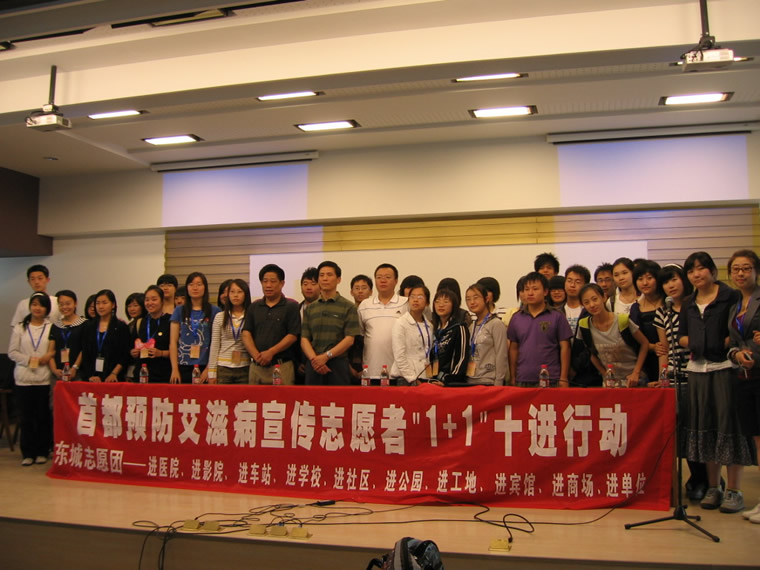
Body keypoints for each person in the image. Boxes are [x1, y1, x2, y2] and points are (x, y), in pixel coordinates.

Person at [679, 251, 755, 513]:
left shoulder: (730, 296)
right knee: (706, 428)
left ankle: (734, 490)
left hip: (725, 368)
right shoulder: (688, 302)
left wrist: (716, 344)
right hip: (697, 371)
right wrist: (699, 344)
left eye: (701, 268)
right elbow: (682, 336)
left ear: (712, 271)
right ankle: (714, 487)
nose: (696, 274)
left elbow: (737, 332)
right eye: (691, 270)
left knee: (729, 427)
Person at [653, 264, 708, 500]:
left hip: (697, 374)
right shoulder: (662, 312)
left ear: (684, 280)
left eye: (674, 279)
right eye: (666, 282)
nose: (671, 285)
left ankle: (705, 479)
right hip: (675, 377)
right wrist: (663, 377)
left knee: (697, 429)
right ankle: (695, 478)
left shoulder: (695, 306)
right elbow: (663, 349)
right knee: (680, 432)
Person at [727, 250, 760, 519]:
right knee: (757, 439)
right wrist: (736, 354)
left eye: (746, 268)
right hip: (744, 377)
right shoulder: (735, 302)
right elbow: (734, 341)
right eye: (736, 269)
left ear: (756, 271)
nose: (741, 273)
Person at [8, 292, 53, 466]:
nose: (37, 308)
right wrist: (29, 359)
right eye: (34, 304)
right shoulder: (20, 327)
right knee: (26, 417)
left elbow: (53, 349)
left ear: (47, 308)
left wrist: (46, 357)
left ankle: (42, 451)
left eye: (41, 305)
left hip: (43, 378)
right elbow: (12, 352)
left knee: (42, 416)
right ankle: (27, 453)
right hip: (23, 378)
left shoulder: (50, 327)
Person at [577, 283, 649, 387]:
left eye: (595, 299)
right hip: (611, 383)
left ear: (603, 297)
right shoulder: (584, 326)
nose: (592, 305)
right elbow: (591, 353)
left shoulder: (622, 320)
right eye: (586, 302)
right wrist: (604, 374)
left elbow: (644, 343)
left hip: (635, 381)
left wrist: (636, 373)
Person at [301, 261, 360, 385]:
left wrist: (326, 356)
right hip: (314, 364)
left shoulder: (348, 306)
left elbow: (349, 339)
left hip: (338, 364)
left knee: (338, 397)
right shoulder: (310, 308)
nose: (325, 278)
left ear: (338, 279)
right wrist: (315, 360)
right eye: (321, 275)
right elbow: (304, 339)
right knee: (312, 397)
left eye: (329, 275)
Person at [508, 273, 572, 387]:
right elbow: (513, 349)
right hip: (522, 378)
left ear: (545, 291)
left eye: (535, 289)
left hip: (550, 378)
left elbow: (565, 347)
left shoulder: (557, 316)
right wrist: (513, 376)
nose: (530, 293)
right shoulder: (516, 317)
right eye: (526, 289)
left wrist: (563, 377)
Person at [243, 265, 300, 385]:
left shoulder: (291, 306)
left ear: (282, 283)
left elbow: (292, 335)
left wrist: (271, 352)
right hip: (256, 366)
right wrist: (256, 356)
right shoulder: (254, 306)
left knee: (283, 397)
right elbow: (246, 333)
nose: (268, 285)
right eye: (265, 281)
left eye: (273, 281)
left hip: (281, 366)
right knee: (254, 397)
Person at [170, 272, 220, 384]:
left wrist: (209, 368)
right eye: (191, 284)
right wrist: (174, 369)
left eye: (199, 284)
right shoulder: (179, 310)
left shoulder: (214, 311)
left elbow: (217, 342)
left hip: (205, 364)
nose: (195, 288)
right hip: (183, 364)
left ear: (205, 287)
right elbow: (173, 342)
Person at [358, 263, 408, 376]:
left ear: (396, 281)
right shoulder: (365, 305)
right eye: (379, 277)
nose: (383, 280)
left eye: (387, 277)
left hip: (399, 371)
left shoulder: (405, 303)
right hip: (371, 370)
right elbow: (361, 334)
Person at [79, 289, 131, 383]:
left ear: (113, 305)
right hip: (92, 378)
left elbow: (125, 354)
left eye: (104, 303)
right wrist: (91, 375)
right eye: (97, 303)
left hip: (113, 378)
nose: (100, 306)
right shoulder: (89, 326)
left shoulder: (120, 326)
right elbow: (85, 353)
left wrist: (114, 373)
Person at [208, 279, 252, 384]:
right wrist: (211, 373)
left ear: (246, 294)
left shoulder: (251, 316)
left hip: (245, 367)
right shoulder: (220, 317)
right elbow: (215, 345)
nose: (235, 295)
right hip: (223, 367)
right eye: (232, 292)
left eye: (239, 292)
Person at [464, 282, 508, 385]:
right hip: (470, 381)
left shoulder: (496, 324)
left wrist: (499, 382)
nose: (472, 302)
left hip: (489, 381)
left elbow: (501, 355)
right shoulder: (471, 326)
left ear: (486, 299)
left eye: (476, 298)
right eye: (468, 299)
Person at [391, 285, 432, 385]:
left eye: (420, 297)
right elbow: (399, 355)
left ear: (427, 302)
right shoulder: (401, 323)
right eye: (412, 297)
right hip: (405, 378)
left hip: (424, 376)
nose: (415, 300)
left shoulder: (430, 326)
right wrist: (412, 379)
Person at [630, 260, 663, 383]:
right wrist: (653, 347)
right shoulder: (636, 308)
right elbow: (635, 341)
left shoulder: (668, 302)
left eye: (649, 278)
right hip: (648, 361)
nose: (645, 283)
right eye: (640, 279)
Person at [131, 285, 172, 383]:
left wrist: (161, 353)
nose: (150, 303)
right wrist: (133, 352)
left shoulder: (170, 321)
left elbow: (178, 351)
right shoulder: (140, 322)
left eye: (154, 299)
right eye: (147, 300)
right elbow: (131, 347)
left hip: (162, 375)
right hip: (141, 374)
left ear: (162, 301)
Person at [430, 288, 469, 386]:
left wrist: (449, 381)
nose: (441, 305)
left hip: (451, 382)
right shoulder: (435, 329)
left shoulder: (459, 327)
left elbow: (462, 357)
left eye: (446, 301)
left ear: (454, 305)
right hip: (435, 380)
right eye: (437, 301)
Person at [46, 290, 87, 383]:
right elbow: (51, 351)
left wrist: (75, 368)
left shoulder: (85, 324)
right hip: (58, 374)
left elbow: (84, 349)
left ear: (75, 303)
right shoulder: (55, 326)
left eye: (68, 303)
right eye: (61, 304)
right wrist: (54, 370)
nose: (64, 307)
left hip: (77, 373)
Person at [10, 264, 59, 328]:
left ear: (47, 280)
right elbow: (16, 326)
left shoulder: (57, 302)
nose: (36, 282)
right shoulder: (23, 304)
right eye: (33, 279)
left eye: (40, 278)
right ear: (29, 282)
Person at [123, 292, 146, 381]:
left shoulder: (146, 323)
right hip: (130, 365)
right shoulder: (129, 325)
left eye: (135, 305)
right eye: (129, 306)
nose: (132, 309)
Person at [562, 264, 590, 333]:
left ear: (585, 285)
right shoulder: (557, 311)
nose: (572, 285)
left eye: (578, 282)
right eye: (569, 281)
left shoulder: (590, 310)